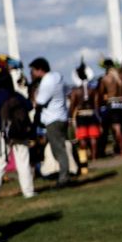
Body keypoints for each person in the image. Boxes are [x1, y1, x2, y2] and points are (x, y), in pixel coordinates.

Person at [0, 69, 35, 203]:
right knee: (23, 162)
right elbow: (29, 106)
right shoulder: (16, 95)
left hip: (1, 134)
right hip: (19, 133)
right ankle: (28, 191)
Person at [30, 57, 70, 188]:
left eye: (34, 71)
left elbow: (40, 102)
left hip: (53, 119)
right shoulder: (58, 77)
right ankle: (63, 175)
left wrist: (34, 95)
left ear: (40, 70)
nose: (33, 74)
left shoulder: (47, 81)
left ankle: (64, 178)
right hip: (62, 116)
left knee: (58, 150)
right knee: (59, 148)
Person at [97, 59, 122, 156]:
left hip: (112, 103)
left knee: (117, 128)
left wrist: (100, 106)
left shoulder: (105, 78)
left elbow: (100, 94)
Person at [68, 63, 101, 162]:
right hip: (91, 113)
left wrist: (70, 117)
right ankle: (94, 157)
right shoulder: (92, 90)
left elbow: (72, 105)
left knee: (82, 138)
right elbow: (96, 105)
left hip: (81, 115)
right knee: (93, 136)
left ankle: (84, 158)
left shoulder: (75, 91)